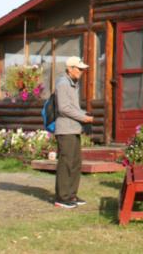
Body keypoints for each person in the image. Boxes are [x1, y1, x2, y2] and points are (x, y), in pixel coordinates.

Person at [54, 56, 94, 209]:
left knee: (75, 163)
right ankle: (62, 198)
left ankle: (71, 195)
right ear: (70, 69)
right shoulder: (63, 84)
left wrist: (85, 114)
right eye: (79, 69)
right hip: (65, 130)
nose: (82, 71)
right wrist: (84, 118)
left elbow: (73, 108)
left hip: (74, 129)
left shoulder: (72, 84)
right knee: (66, 164)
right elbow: (64, 108)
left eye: (83, 69)